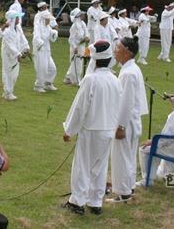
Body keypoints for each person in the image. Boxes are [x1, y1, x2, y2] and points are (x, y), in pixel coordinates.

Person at [62, 41, 122, 216]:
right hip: (108, 129)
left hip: (91, 129)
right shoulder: (115, 80)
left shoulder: (91, 80)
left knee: (82, 165)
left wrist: (69, 130)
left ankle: (77, 201)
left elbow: (80, 108)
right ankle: (95, 202)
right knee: (100, 166)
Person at [109, 37, 148, 203]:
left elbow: (125, 102)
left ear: (127, 52)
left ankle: (123, 193)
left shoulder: (128, 73)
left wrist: (121, 126)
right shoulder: (131, 69)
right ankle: (128, 186)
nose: (115, 51)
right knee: (128, 156)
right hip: (132, 121)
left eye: (118, 48)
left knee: (121, 157)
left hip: (126, 122)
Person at [1, 10, 30, 101]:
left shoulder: (18, 28)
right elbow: (9, 45)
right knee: (8, 73)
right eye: (17, 17)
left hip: (16, 53)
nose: (18, 19)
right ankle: (8, 92)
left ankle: (8, 91)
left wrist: (26, 47)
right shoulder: (7, 31)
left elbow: (22, 38)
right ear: (12, 19)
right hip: (8, 54)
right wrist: (17, 54)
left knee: (15, 74)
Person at [33, 11, 59, 93]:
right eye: (48, 19)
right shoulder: (38, 27)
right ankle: (38, 85)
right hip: (40, 51)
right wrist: (41, 43)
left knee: (52, 68)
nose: (49, 21)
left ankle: (48, 83)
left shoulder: (48, 27)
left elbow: (52, 37)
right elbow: (36, 38)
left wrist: (54, 33)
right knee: (42, 68)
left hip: (47, 51)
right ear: (43, 19)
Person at [64, 8, 89, 86]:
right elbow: (71, 39)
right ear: (78, 15)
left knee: (79, 63)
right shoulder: (74, 26)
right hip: (75, 47)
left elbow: (86, 32)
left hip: (82, 46)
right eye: (82, 14)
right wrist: (74, 47)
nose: (84, 15)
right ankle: (76, 80)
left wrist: (87, 37)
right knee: (76, 63)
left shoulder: (83, 24)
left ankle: (69, 77)